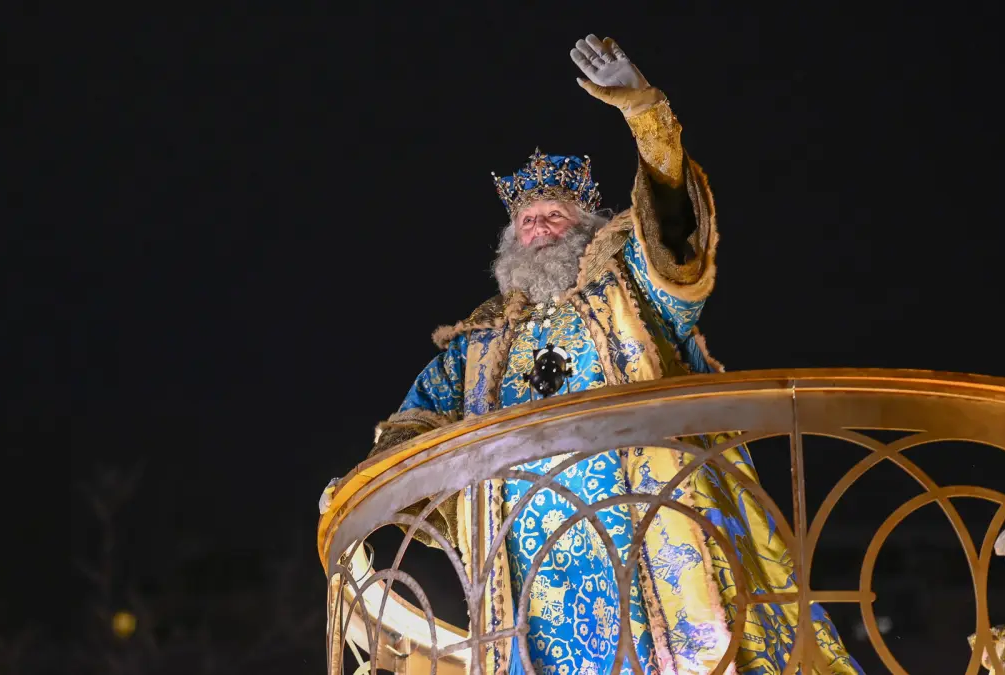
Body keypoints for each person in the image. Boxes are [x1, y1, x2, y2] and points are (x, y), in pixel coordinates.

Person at [323, 33, 863, 674]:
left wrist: (645, 114)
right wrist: (362, 488)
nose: (538, 229)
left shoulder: (628, 290)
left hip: (651, 530)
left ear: (585, 226)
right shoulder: (479, 345)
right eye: (527, 222)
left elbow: (672, 235)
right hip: (530, 565)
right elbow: (415, 426)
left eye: (553, 216)